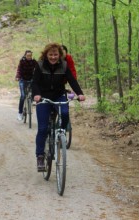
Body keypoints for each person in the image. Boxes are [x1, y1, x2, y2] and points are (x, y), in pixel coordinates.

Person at [32, 43, 85, 172]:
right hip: (43, 97)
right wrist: (37, 94)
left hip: (59, 96)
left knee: (65, 113)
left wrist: (79, 93)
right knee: (43, 128)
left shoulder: (64, 65)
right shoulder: (40, 65)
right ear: (46, 55)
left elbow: (72, 80)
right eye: (51, 54)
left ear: (59, 55)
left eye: (56, 54)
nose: (53, 57)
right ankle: (40, 156)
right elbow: (35, 82)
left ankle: (60, 133)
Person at [15, 50, 38, 121]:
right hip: (22, 80)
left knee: (32, 94)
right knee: (23, 96)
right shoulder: (22, 61)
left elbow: (38, 69)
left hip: (31, 80)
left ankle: (29, 105)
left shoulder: (34, 62)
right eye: (28, 56)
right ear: (25, 55)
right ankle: (20, 113)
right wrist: (18, 76)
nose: (29, 57)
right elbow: (19, 70)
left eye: (30, 56)